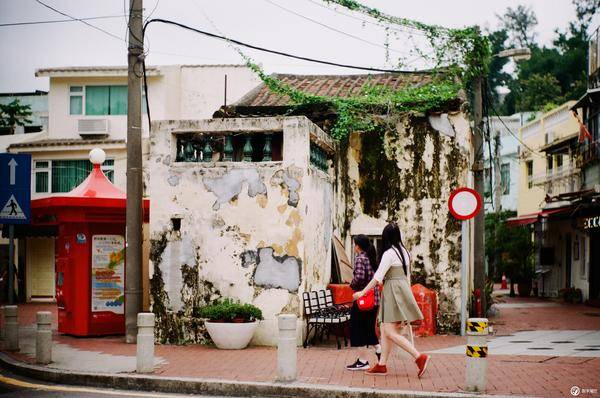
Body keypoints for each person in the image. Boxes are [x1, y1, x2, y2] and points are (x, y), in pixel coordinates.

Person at [353, 223, 430, 377]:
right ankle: (382, 365)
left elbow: (377, 277)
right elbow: (406, 276)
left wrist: (362, 293)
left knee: (389, 331)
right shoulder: (405, 252)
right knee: (384, 329)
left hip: (392, 292)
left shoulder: (389, 253)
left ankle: (419, 357)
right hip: (402, 290)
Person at [345, 235, 381, 371]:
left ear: (358, 246)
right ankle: (379, 350)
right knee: (368, 328)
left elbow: (359, 278)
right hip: (374, 299)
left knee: (357, 328)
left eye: (355, 245)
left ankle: (362, 361)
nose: (354, 247)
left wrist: (352, 285)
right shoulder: (372, 258)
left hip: (363, 299)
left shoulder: (360, 258)